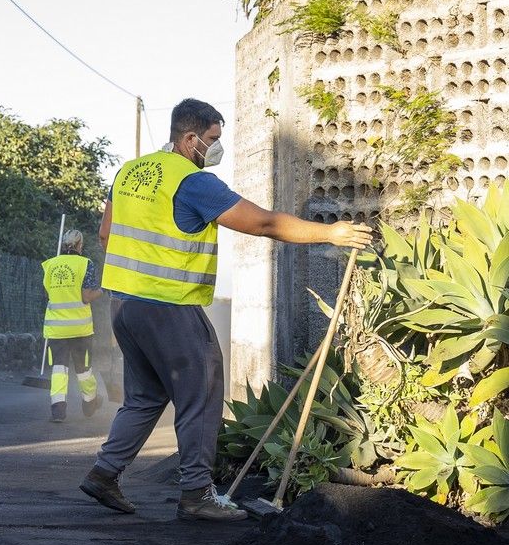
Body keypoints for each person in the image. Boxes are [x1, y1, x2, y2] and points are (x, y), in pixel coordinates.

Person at [79, 98, 372, 521]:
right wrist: (331, 232)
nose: (217, 148)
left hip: (123, 305)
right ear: (190, 138)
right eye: (214, 139)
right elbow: (264, 223)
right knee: (202, 389)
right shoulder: (192, 181)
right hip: (169, 306)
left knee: (145, 396)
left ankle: (104, 473)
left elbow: (106, 234)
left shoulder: (129, 173)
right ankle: (197, 494)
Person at [41, 229, 103, 422]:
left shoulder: (50, 265)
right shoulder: (86, 264)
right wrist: (103, 290)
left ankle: (58, 410)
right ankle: (89, 402)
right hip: (80, 328)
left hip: (56, 328)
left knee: (59, 368)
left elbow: (48, 292)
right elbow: (87, 297)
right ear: (79, 245)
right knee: (83, 368)